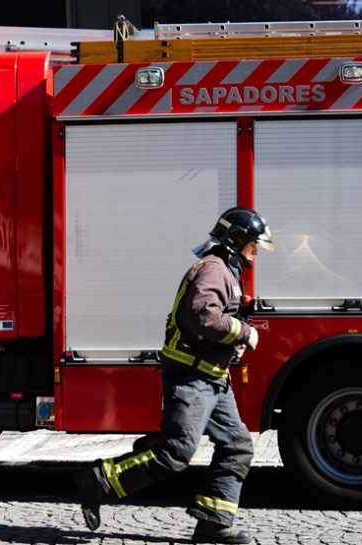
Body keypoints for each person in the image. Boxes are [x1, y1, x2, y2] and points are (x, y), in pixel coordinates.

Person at [75, 207, 273, 545]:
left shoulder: (225, 269)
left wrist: (231, 343)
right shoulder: (214, 269)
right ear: (236, 240)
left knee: (237, 445)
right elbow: (201, 315)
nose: (256, 254)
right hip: (192, 378)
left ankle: (213, 522)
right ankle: (100, 479)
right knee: (177, 451)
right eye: (253, 245)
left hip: (213, 378)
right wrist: (242, 333)